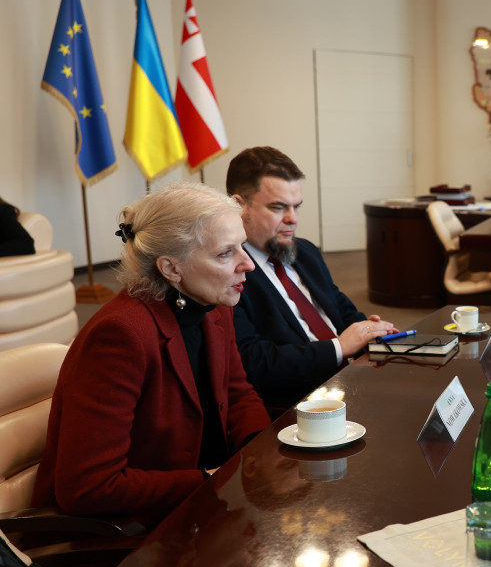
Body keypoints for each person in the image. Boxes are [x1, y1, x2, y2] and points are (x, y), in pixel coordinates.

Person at [33, 183, 270, 521]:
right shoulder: (120, 335)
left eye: (242, 246)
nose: (249, 264)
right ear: (170, 268)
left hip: (208, 506)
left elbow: (236, 394)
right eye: (225, 253)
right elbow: (89, 487)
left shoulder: (213, 306)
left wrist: (262, 451)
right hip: (135, 530)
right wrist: (210, 480)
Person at [226, 146, 396, 413]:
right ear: (239, 206)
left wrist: (369, 330)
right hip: (298, 405)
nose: (292, 219)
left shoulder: (305, 251)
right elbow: (253, 361)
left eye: (296, 207)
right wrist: (339, 347)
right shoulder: (229, 273)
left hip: (350, 380)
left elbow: (339, 306)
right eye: (278, 207)